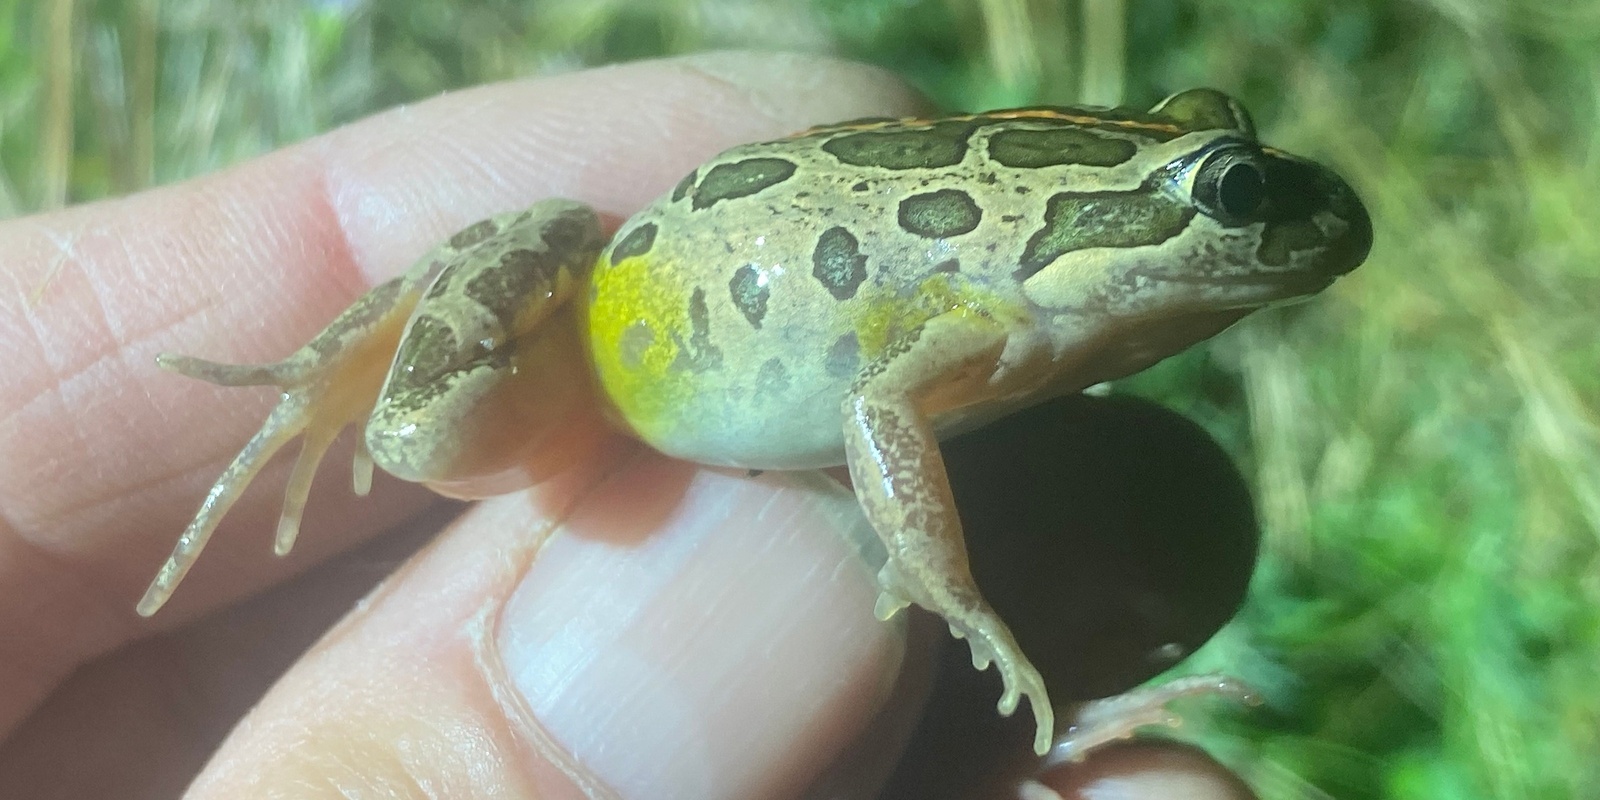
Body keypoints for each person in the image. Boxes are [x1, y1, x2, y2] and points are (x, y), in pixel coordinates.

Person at [0, 52, 1251, 799]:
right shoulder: (1001, 308)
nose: (1260, 219)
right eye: (1226, 196)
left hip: (716, 369)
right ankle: (327, 371)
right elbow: (879, 401)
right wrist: (949, 588)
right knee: (419, 432)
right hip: (611, 332)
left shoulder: (1051, 326)